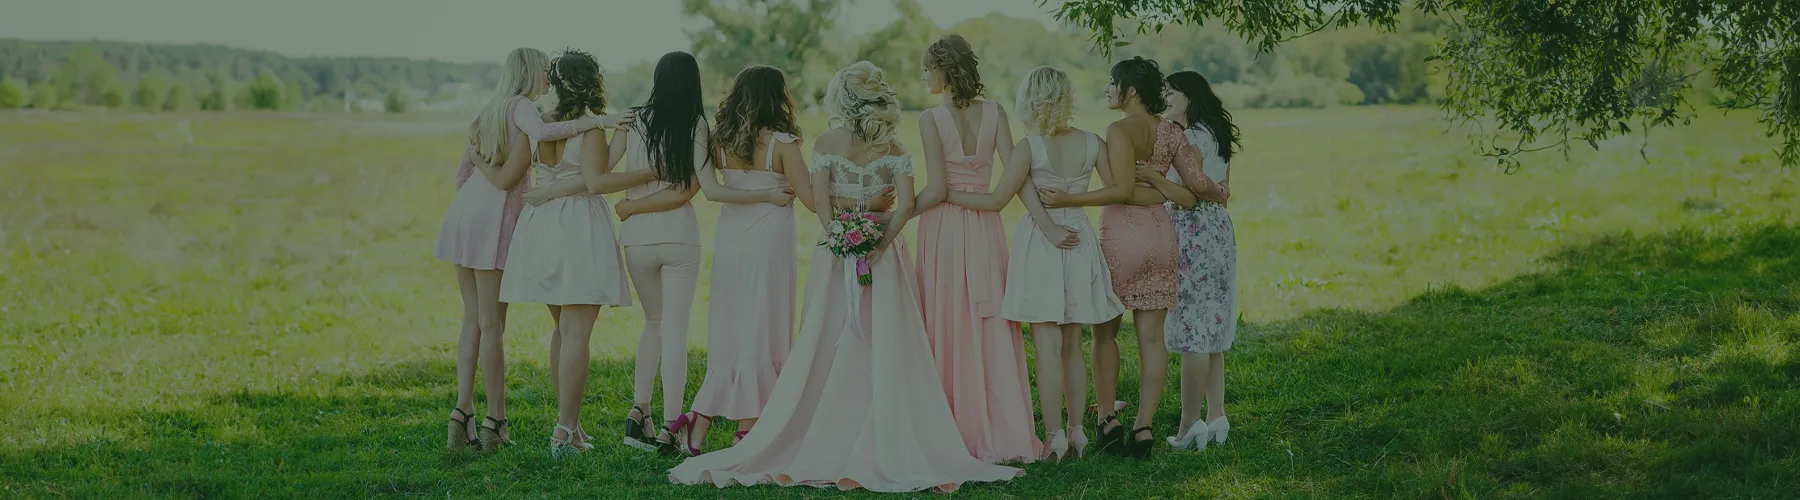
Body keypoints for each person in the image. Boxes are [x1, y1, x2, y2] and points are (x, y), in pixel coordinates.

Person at [668, 61, 1021, 493]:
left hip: (834, 256)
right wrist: (880, 241)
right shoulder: (894, 148)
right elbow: (905, 205)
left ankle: (814, 427)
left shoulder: (826, 142)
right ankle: (882, 430)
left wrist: (841, 237)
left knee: (828, 339)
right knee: (885, 344)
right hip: (885, 260)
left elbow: (818, 201)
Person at [432, 47, 626, 451]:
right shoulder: (563, 123)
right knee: (543, 329)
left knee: (535, 327)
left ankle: (478, 412)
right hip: (558, 225)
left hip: (510, 224)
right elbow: (589, 176)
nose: (545, 80)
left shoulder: (515, 119)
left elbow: (477, 172)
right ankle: (534, 425)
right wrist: (608, 126)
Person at [949, 66, 1128, 461]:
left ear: (1030, 99)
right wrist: (1072, 203)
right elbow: (1116, 190)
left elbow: (998, 198)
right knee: (1073, 345)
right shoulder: (1092, 141)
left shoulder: (1029, 147)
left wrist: (950, 194)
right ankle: (1078, 431)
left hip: (1042, 243)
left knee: (1046, 347)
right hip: (1078, 239)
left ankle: (1053, 437)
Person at [495, 48, 653, 458]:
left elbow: (586, 168)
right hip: (577, 227)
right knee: (577, 333)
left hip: (542, 227)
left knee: (563, 331)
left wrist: (618, 134)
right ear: (593, 81)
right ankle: (562, 432)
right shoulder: (590, 128)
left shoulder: (541, 123)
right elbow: (596, 181)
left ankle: (574, 427)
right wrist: (654, 171)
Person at [912, 33, 1040, 464]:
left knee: (947, 318)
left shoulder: (931, 120)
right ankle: (1003, 428)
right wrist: (1045, 220)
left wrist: (893, 219)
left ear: (944, 71)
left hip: (944, 227)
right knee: (988, 323)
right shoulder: (996, 113)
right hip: (984, 225)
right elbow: (1015, 176)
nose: (925, 75)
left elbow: (937, 189)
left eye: (928, 68)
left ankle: (952, 425)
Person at [1040, 56, 1176, 458]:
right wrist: (1163, 190)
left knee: (1105, 333)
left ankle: (1106, 419)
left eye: (1112, 84)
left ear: (1129, 90)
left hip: (1123, 237)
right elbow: (1183, 186)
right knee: (1152, 338)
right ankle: (1144, 427)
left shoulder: (1118, 130)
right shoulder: (1170, 130)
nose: (1107, 90)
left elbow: (1120, 190)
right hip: (1162, 235)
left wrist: (1069, 198)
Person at [683, 65, 806, 452]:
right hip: (769, 242)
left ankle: (699, 421)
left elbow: (713, 192)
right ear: (778, 97)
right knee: (763, 323)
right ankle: (749, 426)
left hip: (732, 241)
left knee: (731, 325)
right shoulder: (784, 144)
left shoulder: (719, 141)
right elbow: (813, 200)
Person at [609, 51, 710, 455]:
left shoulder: (631, 118)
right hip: (679, 237)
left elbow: (603, 170)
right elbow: (687, 190)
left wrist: (632, 204)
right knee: (675, 330)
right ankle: (670, 425)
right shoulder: (696, 123)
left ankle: (638, 412)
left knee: (653, 322)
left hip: (636, 239)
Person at [1154, 70, 1238, 452]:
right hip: (1219, 231)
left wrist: (1155, 180)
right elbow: (1222, 186)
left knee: (1193, 334)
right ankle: (1217, 413)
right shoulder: (1216, 132)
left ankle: (1190, 424)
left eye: (1170, 92)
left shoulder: (1189, 137)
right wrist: (1219, 192)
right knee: (1213, 327)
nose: (1165, 97)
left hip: (1193, 232)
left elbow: (1198, 187)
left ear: (1189, 96)